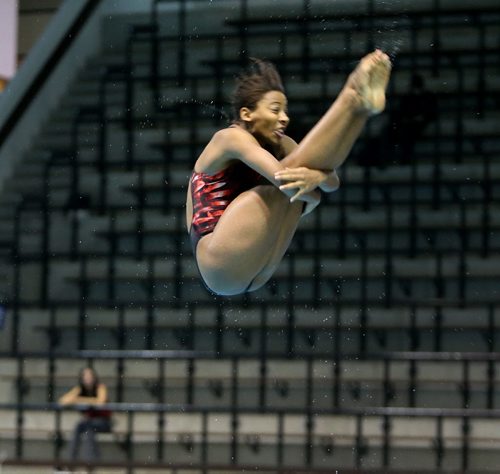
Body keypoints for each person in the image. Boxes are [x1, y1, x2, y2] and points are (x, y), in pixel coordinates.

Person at [186, 50, 392, 296]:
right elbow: (284, 181)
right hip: (218, 264)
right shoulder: (230, 138)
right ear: (246, 114)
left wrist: (318, 179)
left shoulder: (283, 143)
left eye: (285, 110)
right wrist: (313, 188)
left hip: (256, 269)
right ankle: (352, 94)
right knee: (287, 183)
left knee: (299, 179)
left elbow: (332, 183)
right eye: (275, 110)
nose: (284, 118)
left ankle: (362, 108)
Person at [58, 367, 112, 463]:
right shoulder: (80, 389)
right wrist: (78, 398)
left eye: (90, 376)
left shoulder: (100, 387)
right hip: (88, 423)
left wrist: (79, 400)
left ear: (94, 377)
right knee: (80, 427)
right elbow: (62, 401)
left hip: (103, 422)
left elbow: (100, 402)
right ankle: (70, 461)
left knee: (88, 428)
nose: (88, 378)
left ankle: (90, 463)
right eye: (85, 376)